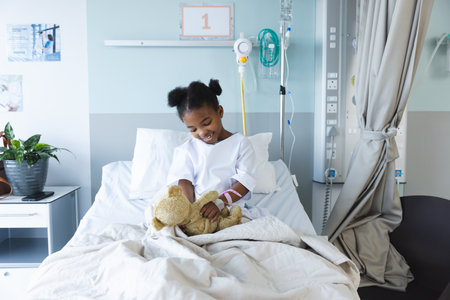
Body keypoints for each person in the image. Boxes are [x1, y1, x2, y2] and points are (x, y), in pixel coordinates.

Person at [166, 79, 259, 223]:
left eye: (207, 123)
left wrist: (219, 203)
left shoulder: (240, 144)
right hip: (197, 211)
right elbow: (184, 183)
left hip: (229, 209)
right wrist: (189, 213)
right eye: (193, 129)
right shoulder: (186, 150)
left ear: (220, 112)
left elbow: (245, 182)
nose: (202, 132)